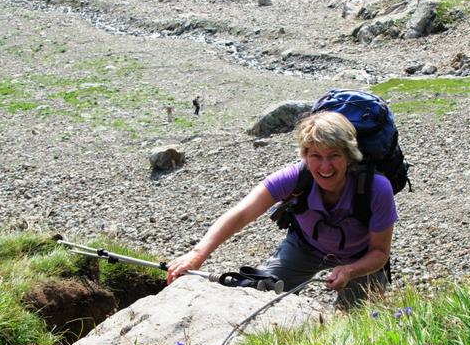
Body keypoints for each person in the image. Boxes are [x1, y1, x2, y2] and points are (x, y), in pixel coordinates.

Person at [166, 111, 398, 308]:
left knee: (360, 321)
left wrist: (350, 270)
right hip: (305, 248)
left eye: (334, 156)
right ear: (305, 156)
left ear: (349, 156)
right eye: (316, 156)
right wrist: (197, 254)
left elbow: (379, 252)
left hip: (360, 258)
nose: (325, 166)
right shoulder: (294, 177)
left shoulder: (376, 188)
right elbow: (241, 213)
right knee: (262, 296)